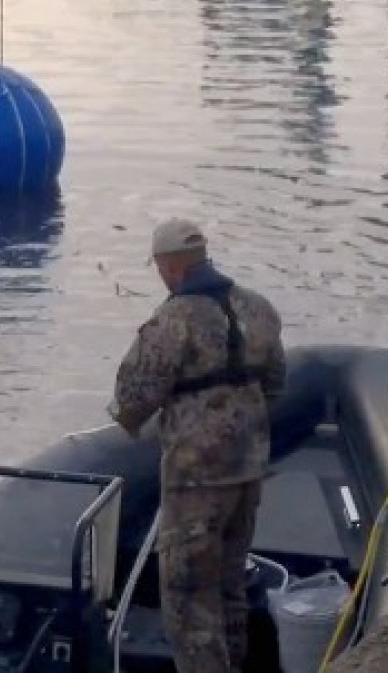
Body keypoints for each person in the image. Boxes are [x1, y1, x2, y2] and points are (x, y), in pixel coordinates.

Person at [108, 218, 286, 673]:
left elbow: (132, 399)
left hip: (196, 481)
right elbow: (276, 383)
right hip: (248, 471)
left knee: (189, 600)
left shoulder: (172, 321)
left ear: (170, 267)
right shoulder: (258, 308)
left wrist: (138, 422)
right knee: (230, 586)